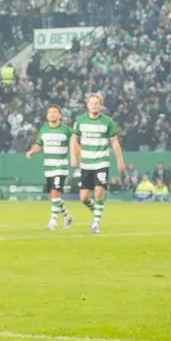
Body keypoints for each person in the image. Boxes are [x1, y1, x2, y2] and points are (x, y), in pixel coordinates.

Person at [69, 93, 124, 235]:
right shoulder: (80, 121)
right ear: (87, 105)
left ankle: (95, 223)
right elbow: (73, 138)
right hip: (86, 162)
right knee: (84, 197)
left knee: (99, 191)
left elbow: (114, 142)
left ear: (101, 105)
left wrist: (119, 160)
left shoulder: (107, 122)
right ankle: (97, 211)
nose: (94, 105)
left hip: (101, 161)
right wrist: (73, 156)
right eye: (91, 103)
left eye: (97, 103)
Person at [25, 104, 74, 229]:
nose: (52, 113)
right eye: (50, 112)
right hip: (48, 168)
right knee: (52, 196)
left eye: (55, 112)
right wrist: (32, 151)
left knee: (56, 193)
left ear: (60, 115)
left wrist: (76, 157)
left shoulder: (67, 130)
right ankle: (68, 216)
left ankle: (52, 222)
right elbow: (39, 145)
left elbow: (74, 144)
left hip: (61, 167)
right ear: (47, 116)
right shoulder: (43, 130)